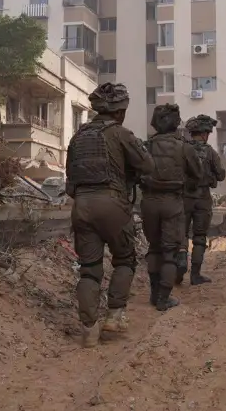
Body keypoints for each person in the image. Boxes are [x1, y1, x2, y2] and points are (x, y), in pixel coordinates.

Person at [65, 82, 154, 347]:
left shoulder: (78, 137)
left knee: (89, 270)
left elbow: (70, 183)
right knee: (125, 260)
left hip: (81, 206)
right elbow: (148, 165)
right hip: (113, 203)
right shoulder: (121, 133)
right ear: (119, 111)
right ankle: (114, 315)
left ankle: (88, 329)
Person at [140, 104, 203, 311]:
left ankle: (153, 294)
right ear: (176, 123)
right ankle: (164, 298)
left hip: (149, 202)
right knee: (169, 252)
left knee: (154, 248)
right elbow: (197, 174)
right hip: (172, 202)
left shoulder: (145, 146)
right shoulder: (184, 148)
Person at [181, 114, 226, 285]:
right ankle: (195, 275)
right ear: (204, 133)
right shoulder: (210, 152)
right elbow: (221, 175)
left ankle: (179, 268)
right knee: (200, 236)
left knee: (181, 234)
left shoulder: (182, 148)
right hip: (202, 198)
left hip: (184, 198)